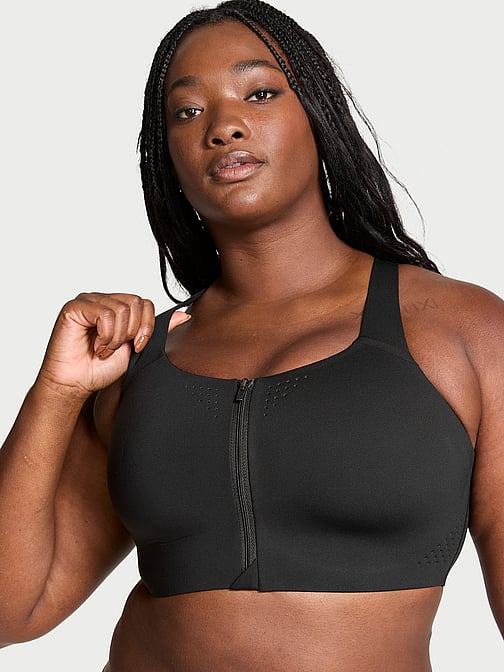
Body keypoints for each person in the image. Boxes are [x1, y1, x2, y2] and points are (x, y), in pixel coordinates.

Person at [0, 0, 503, 669]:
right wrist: (58, 392)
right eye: (187, 111)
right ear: (167, 156)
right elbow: (11, 610)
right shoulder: (135, 363)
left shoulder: (464, 331)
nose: (223, 126)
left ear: (317, 116)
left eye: (260, 94)